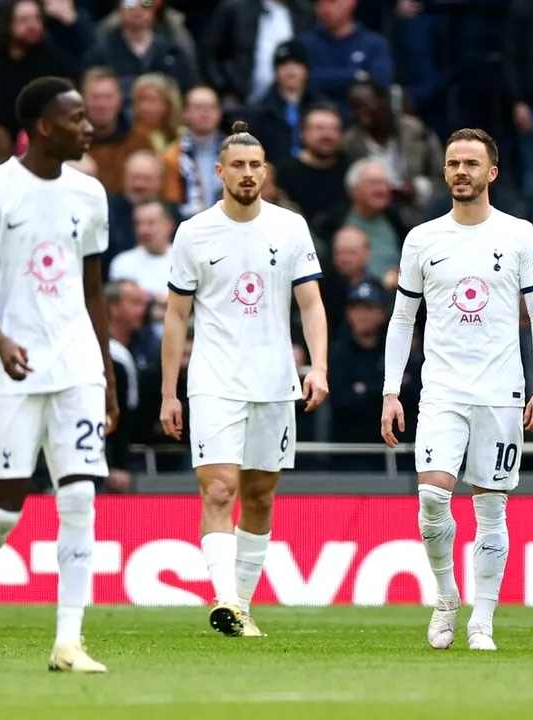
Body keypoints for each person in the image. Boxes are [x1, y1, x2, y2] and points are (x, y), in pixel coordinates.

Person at [0, 77, 117, 673]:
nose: (88, 126)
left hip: (76, 365)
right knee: (5, 509)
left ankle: (68, 641)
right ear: (45, 125)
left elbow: (94, 289)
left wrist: (107, 375)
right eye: (76, 118)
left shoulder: (91, 194)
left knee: (79, 497)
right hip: (11, 368)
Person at [381, 128, 533, 652]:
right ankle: (445, 596)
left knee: (491, 508)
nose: (461, 171)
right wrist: (392, 391)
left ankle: (483, 618)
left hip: (501, 392)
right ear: (444, 171)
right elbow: (401, 319)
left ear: (492, 173)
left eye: (471, 164)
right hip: (441, 390)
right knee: (433, 496)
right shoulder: (422, 239)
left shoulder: (520, 234)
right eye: (453, 162)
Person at [160, 120, 329, 639]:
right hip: (213, 380)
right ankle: (225, 598)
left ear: (266, 172)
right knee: (218, 488)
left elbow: (311, 303)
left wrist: (317, 366)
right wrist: (170, 391)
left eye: (256, 165)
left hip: (275, 382)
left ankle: (242, 607)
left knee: (258, 496)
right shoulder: (194, 231)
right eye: (238, 165)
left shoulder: (289, 227)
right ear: (220, 171)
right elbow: (175, 316)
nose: (248, 173)